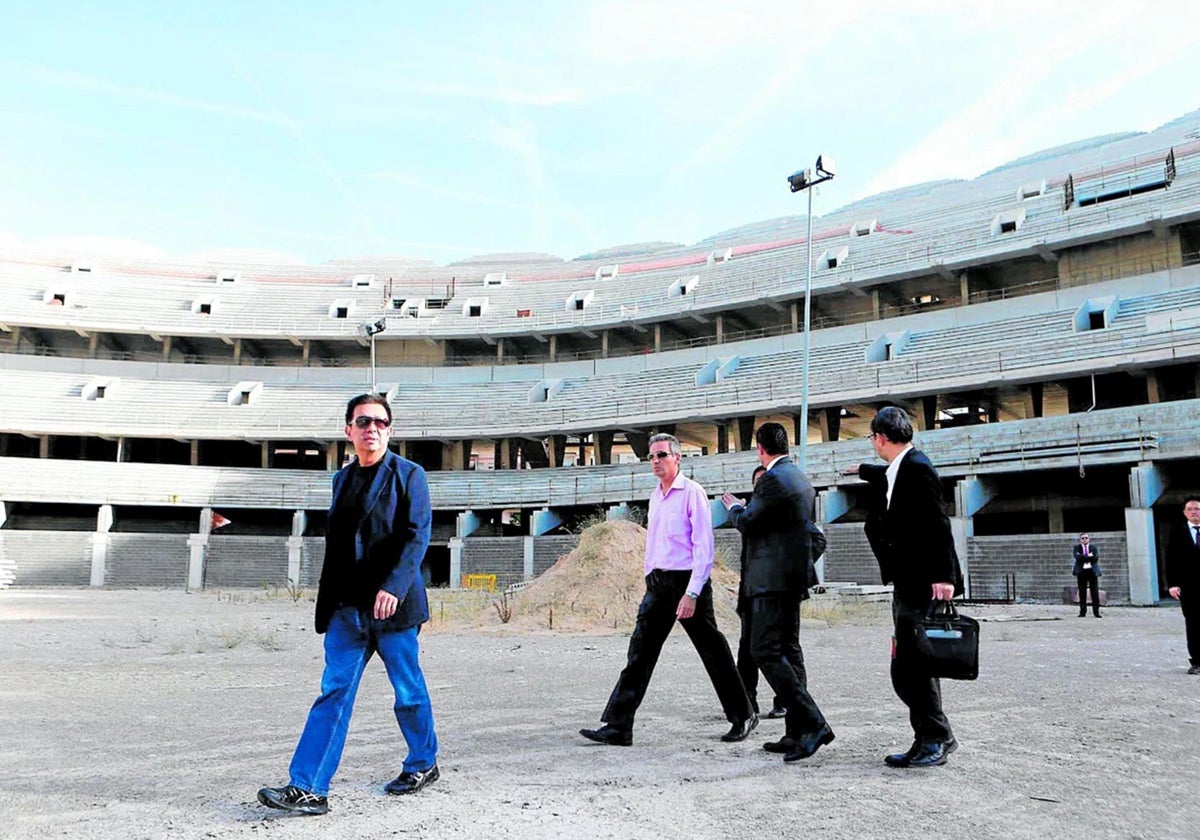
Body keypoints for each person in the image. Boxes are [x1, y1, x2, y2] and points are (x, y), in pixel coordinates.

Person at [258, 394, 438, 816]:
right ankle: (308, 787)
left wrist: (393, 586)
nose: (371, 428)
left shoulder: (410, 475)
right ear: (348, 431)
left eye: (379, 422)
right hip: (347, 610)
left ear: (389, 431)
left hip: (394, 608)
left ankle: (423, 762)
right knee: (333, 693)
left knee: (408, 692)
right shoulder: (341, 480)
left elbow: (417, 536)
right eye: (362, 422)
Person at [580, 433, 757, 746]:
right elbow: (654, 541)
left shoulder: (693, 494)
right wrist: (649, 574)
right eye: (651, 456)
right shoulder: (655, 496)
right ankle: (619, 726)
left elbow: (704, 547)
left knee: (712, 651)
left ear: (678, 458)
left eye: (661, 455)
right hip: (659, 583)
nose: (656, 461)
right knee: (639, 653)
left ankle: (743, 715)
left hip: (688, 582)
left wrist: (691, 593)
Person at [857, 407, 963, 769]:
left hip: (924, 582)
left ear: (881, 438)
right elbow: (884, 475)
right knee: (910, 665)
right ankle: (926, 737)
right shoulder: (902, 466)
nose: (872, 444)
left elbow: (938, 524)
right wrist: (861, 471)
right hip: (908, 579)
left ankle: (937, 737)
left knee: (912, 665)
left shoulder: (917, 468)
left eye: (872, 438)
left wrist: (945, 577)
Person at [722, 422, 833, 763]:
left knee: (764, 650)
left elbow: (750, 521)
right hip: (790, 581)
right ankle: (795, 731)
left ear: (760, 448)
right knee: (788, 651)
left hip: (770, 584)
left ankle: (813, 724)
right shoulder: (800, 478)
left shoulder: (771, 479)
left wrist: (734, 508)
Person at [734, 465, 789, 720]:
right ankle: (746, 703)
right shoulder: (751, 513)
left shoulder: (781, 512)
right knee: (747, 651)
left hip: (775, 593)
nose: (761, 487)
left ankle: (786, 702)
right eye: (757, 483)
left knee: (780, 650)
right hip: (750, 593)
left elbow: (816, 541)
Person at [1166, 496, 1200, 675]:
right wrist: (1172, 584)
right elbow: (1171, 560)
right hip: (1189, 587)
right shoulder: (1177, 532)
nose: (1195, 512)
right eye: (1191, 509)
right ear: (1185, 513)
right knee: (1193, 624)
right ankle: (1196, 661)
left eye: (1197, 508)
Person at [1072, 533, 1102, 618]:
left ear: (1088, 539)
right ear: (1080, 539)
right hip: (1081, 571)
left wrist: (1083, 557)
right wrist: (1088, 556)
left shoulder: (1094, 547)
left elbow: (1095, 558)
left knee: (1094, 592)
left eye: (1086, 538)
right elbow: (1077, 558)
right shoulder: (1077, 548)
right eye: (1082, 538)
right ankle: (1082, 612)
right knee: (1082, 592)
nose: (1084, 539)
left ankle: (1096, 612)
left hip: (1092, 571)